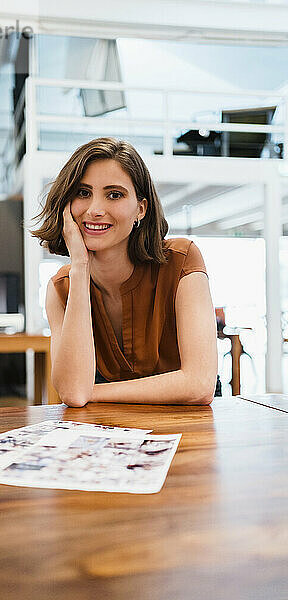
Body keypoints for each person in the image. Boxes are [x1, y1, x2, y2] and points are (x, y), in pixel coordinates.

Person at [31, 137, 217, 407]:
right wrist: (80, 267)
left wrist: (91, 392)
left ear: (140, 209)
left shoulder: (182, 261)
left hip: (187, 427)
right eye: (83, 193)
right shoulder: (61, 288)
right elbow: (72, 392)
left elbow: (199, 385)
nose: (95, 210)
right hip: (109, 432)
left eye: (114, 195)